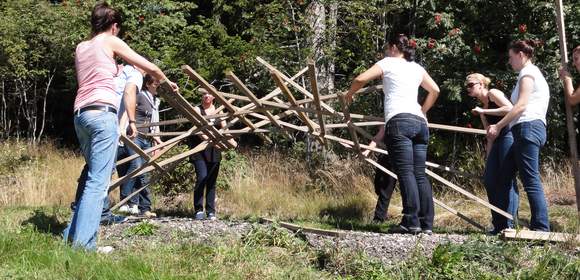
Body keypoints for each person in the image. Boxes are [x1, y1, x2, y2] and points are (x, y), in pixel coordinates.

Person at [64, 2, 178, 251]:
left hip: (80, 115)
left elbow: (91, 76)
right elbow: (150, 67)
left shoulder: (81, 47)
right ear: (114, 26)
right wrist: (167, 81)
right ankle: (84, 246)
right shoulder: (110, 40)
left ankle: (69, 237)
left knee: (92, 177)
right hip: (102, 115)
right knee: (98, 183)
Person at [345, 34, 440, 234]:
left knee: (405, 173)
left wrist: (349, 95)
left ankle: (410, 222)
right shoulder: (416, 68)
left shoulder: (387, 62)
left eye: (388, 48)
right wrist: (423, 111)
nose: (386, 51)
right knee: (419, 174)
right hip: (420, 123)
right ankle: (426, 224)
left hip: (399, 121)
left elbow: (360, 78)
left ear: (394, 47)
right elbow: (435, 90)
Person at [487, 40, 550, 232]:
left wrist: (498, 126)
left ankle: (541, 228)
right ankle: (502, 225)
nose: (509, 61)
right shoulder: (526, 74)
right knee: (503, 176)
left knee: (530, 179)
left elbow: (521, 105)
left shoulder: (528, 73)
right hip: (523, 130)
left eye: (511, 57)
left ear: (521, 55)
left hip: (528, 128)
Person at [466, 73, 519, 233]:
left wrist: (483, 110)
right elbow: (488, 135)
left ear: (481, 84)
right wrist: (488, 160)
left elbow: (510, 109)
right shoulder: (482, 108)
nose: (468, 88)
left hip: (508, 136)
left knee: (506, 179)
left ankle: (509, 225)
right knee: (489, 180)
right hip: (496, 141)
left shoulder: (492, 93)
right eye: (466, 86)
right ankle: (498, 224)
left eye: (471, 84)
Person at [117, 74, 162, 218]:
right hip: (134, 137)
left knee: (144, 173)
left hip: (146, 139)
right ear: (148, 84)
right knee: (136, 166)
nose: (157, 86)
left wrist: (157, 142)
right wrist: (123, 129)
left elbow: (155, 124)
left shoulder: (154, 101)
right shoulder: (141, 96)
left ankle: (145, 208)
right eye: (155, 84)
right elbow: (126, 109)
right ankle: (126, 199)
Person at [189, 88, 236, 221]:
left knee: (211, 181)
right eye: (204, 94)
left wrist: (232, 142)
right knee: (202, 177)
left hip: (214, 149)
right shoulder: (197, 109)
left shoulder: (218, 110)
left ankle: (211, 211)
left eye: (209, 94)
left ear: (214, 97)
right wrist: (208, 139)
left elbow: (224, 128)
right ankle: (198, 209)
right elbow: (197, 130)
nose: (206, 96)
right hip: (199, 149)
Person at [362, 126, 397, 223]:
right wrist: (368, 150)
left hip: (397, 156)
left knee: (386, 188)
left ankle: (379, 218)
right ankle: (380, 216)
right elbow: (378, 136)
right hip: (385, 154)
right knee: (378, 185)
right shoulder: (389, 118)